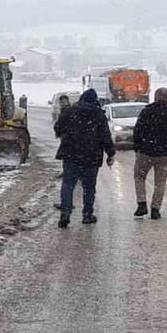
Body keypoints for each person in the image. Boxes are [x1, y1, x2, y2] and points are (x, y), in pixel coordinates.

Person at [54, 88, 115, 228]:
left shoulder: (69, 112)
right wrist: (110, 152)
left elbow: (58, 129)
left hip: (71, 155)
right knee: (89, 186)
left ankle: (65, 214)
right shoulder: (98, 115)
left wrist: (67, 136)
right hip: (91, 156)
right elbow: (105, 136)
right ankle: (87, 215)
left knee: (68, 184)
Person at [131, 87, 167, 219]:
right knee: (160, 181)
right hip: (164, 153)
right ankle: (155, 209)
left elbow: (137, 131)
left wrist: (138, 147)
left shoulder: (147, 111)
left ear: (155, 97)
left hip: (146, 151)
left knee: (139, 177)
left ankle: (141, 203)